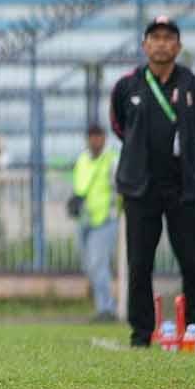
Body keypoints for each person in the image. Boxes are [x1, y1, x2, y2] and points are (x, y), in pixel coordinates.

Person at [109, 16, 195, 350]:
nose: (161, 43)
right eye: (155, 37)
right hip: (141, 189)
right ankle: (141, 333)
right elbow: (119, 125)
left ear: (178, 46)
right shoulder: (127, 86)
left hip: (184, 189)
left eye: (168, 38)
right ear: (145, 45)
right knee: (139, 264)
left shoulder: (194, 86)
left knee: (193, 264)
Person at [70, 124, 118, 321]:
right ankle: (104, 306)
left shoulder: (111, 160)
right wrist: (75, 200)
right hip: (85, 220)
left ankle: (107, 308)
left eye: (98, 137)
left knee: (98, 263)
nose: (95, 141)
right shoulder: (82, 160)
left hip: (104, 220)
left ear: (104, 138)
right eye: (92, 137)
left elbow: (118, 187)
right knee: (90, 265)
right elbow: (79, 185)